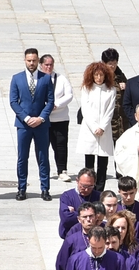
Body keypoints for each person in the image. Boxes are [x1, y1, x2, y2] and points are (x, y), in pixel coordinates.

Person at [10, 48, 54, 201]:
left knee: (43, 157)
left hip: (41, 125)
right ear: (25, 60)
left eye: (34, 60)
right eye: (29, 60)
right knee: (22, 157)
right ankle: (21, 188)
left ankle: (45, 189)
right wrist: (26, 118)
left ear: (38, 61)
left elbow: (50, 101)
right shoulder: (17, 78)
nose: (31, 63)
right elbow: (13, 102)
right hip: (24, 125)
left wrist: (41, 118)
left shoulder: (46, 78)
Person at [78, 61, 117, 191]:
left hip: (104, 130)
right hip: (90, 130)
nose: (99, 78)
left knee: (103, 162)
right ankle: (89, 187)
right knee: (89, 162)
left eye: (101, 75)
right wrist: (94, 127)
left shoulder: (110, 90)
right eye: (96, 75)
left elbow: (110, 111)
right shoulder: (87, 89)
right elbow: (86, 110)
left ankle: (99, 190)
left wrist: (102, 127)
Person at [40, 55, 74, 183]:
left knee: (61, 145)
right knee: (43, 146)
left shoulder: (61, 79)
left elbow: (69, 95)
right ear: (41, 65)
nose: (48, 67)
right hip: (43, 119)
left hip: (60, 118)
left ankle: (62, 170)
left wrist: (56, 104)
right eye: (46, 65)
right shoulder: (38, 78)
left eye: (51, 64)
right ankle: (44, 170)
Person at [58, 169, 100, 239]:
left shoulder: (99, 197)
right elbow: (66, 219)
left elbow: (103, 218)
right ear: (77, 181)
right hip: (71, 236)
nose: (86, 190)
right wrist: (92, 217)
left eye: (90, 187)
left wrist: (74, 213)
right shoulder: (67, 196)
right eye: (83, 186)